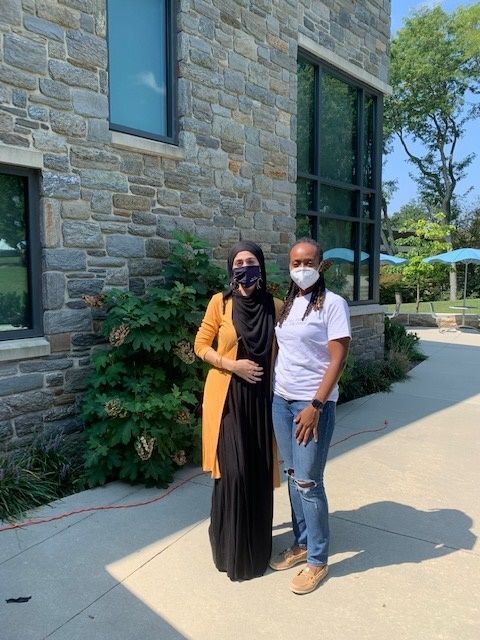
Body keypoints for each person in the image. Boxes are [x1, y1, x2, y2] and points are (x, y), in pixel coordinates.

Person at [194, 241, 283, 581]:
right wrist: (232, 365)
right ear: (231, 267)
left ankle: (256, 551)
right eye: (239, 261)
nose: (245, 266)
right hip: (228, 399)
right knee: (233, 473)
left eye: (251, 260)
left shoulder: (276, 306)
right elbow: (200, 345)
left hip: (261, 402)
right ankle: (229, 550)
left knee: (258, 474)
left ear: (260, 265)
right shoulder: (221, 304)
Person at [269, 237, 351, 595]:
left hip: (310, 405)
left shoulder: (333, 304)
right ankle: (302, 543)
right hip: (281, 401)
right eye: (295, 263)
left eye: (307, 262)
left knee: (308, 482)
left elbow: (338, 358)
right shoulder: (289, 304)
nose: (300, 268)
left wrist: (315, 407)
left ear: (320, 265)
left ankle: (318, 560)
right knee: (292, 474)